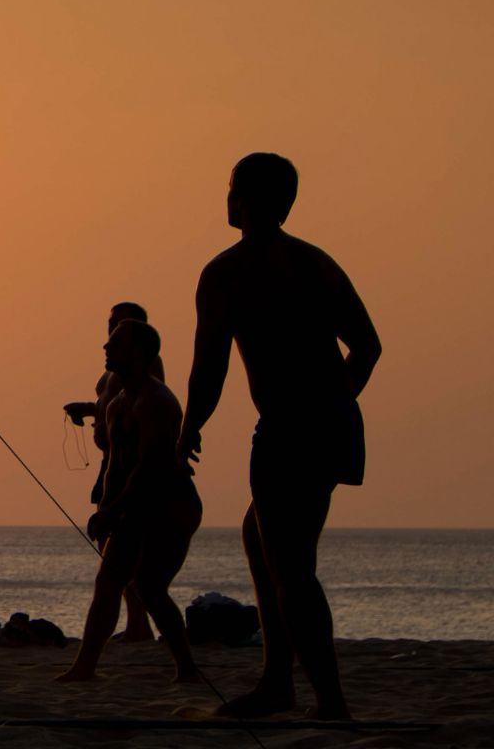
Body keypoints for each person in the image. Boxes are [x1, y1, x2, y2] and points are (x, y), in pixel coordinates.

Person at [182, 153, 380, 720]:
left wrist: (188, 429)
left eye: (231, 190)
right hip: (333, 423)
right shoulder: (316, 263)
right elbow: (368, 347)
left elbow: (209, 369)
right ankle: (277, 681)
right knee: (260, 537)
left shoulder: (227, 272)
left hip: (291, 431)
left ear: (244, 200)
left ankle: (328, 702)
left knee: (292, 566)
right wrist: (336, 402)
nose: (226, 199)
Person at [57, 319, 203, 684]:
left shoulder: (158, 402)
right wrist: (104, 512)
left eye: (116, 342)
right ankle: (85, 666)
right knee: (108, 582)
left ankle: (186, 668)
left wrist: (113, 511)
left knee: (152, 588)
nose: (106, 347)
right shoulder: (116, 403)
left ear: (139, 352)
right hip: (131, 504)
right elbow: (115, 470)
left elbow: (149, 468)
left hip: (171, 505)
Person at [62, 301, 163, 644]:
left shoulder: (146, 365)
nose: (110, 332)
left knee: (124, 550)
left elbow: (145, 405)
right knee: (110, 545)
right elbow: (112, 405)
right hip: (111, 464)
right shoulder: (111, 370)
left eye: (119, 325)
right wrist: (88, 409)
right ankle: (137, 625)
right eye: (110, 323)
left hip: (129, 464)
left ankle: (140, 626)